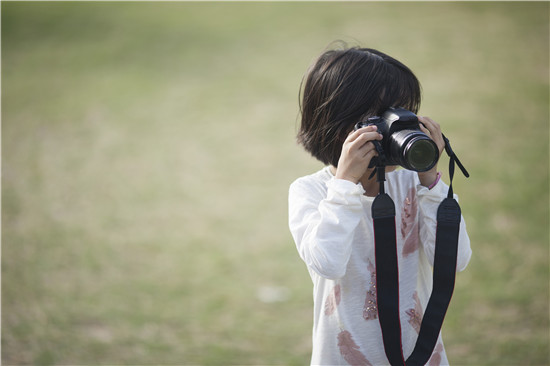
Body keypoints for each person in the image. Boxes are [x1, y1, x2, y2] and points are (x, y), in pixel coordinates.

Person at [288, 45, 472, 365]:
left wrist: (431, 182)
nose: (395, 127)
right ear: (337, 123)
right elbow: (328, 263)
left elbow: (455, 259)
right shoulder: (313, 192)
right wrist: (345, 185)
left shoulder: (415, 184)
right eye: (382, 117)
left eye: (404, 112)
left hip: (421, 355)